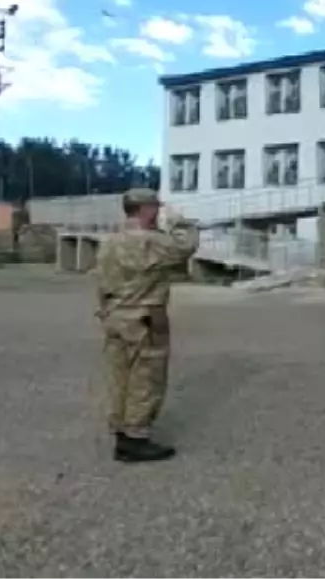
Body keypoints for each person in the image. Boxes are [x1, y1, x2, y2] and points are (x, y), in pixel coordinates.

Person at [95, 188, 199, 463]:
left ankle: (120, 429)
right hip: (143, 318)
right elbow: (185, 247)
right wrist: (182, 223)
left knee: (119, 377)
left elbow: (102, 282)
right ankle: (135, 438)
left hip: (115, 316)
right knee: (146, 379)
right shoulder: (152, 241)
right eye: (155, 207)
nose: (158, 212)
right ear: (145, 209)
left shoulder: (110, 241)